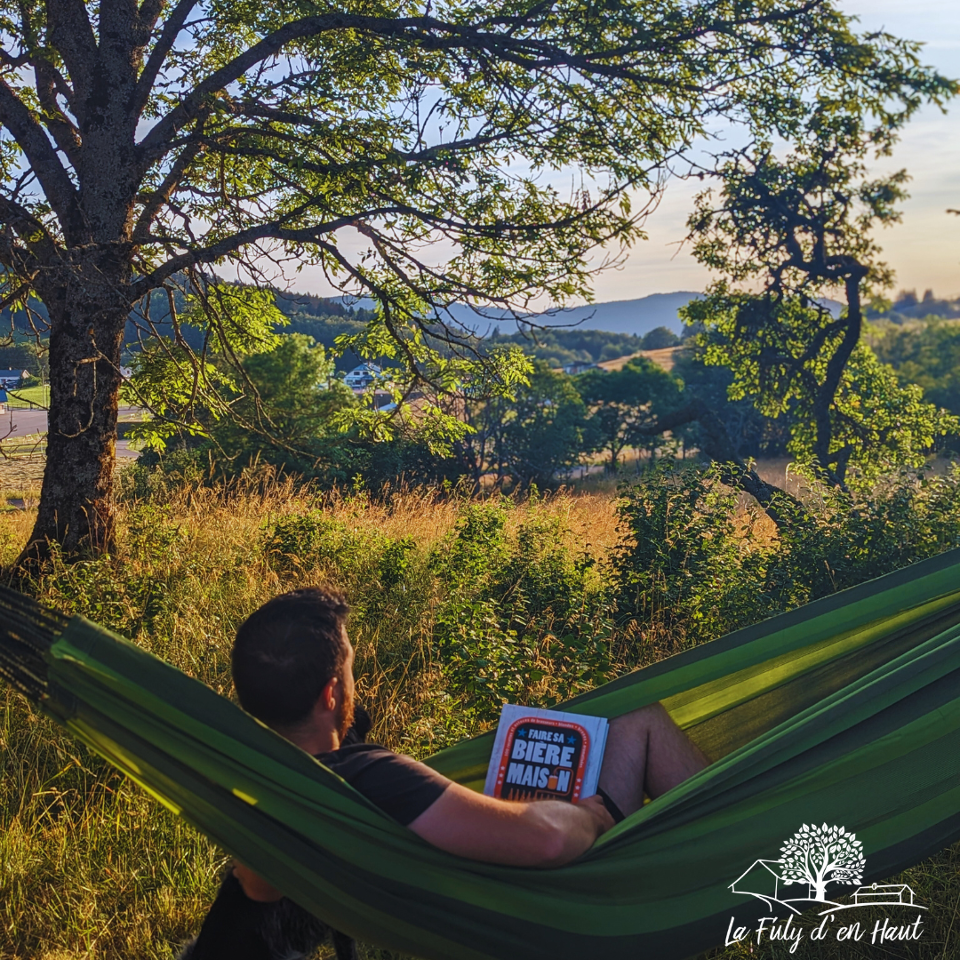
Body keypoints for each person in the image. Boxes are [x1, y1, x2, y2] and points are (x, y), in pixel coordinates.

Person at [180, 587, 708, 959]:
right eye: (351, 668)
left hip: (226, 944)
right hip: (532, 900)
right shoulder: (364, 776)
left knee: (633, 723)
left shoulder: (256, 777)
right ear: (331, 693)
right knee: (641, 722)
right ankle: (737, 856)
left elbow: (261, 888)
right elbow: (546, 841)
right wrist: (588, 815)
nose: (355, 681)